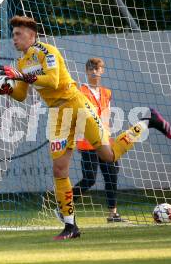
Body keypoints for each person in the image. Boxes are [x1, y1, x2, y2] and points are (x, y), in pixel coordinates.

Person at [0, 15, 171, 240]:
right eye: (13, 35)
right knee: (59, 169)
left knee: (108, 155)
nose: (14, 39)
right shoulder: (20, 63)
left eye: (18, 34)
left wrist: (20, 76)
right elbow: (21, 95)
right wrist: (4, 88)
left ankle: (148, 121)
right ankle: (71, 226)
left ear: (32, 35)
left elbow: (53, 80)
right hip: (57, 114)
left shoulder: (47, 52)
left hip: (77, 104)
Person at [73, 58, 126, 223]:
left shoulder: (107, 92)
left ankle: (113, 214)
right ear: (86, 72)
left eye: (96, 68)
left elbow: (106, 117)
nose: (93, 71)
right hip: (87, 142)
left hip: (105, 141)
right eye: (90, 69)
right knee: (89, 179)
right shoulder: (80, 92)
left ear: (102, 71)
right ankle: (64, 205)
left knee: (112, 175)